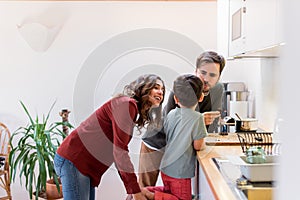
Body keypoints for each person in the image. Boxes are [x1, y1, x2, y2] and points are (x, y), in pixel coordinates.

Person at [54, 74, 165, 200]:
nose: (161, 92)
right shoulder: (127, 105)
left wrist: (133, 188)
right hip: (75, 160)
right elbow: (120, 152)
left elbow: (119, 151)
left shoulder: (129, 106)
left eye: (162, 90)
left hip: (81, 164)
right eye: (156, 87)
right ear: (144, 88)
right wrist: (135, 191)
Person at [139, 51, 226, 187]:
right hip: (155, 141)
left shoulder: (218, 89)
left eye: (213, 75)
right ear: (196, 70)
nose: (206, 79)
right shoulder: (182, 86)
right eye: (203, 72)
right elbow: (170, 123)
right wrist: (195, 121)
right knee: (143, 190)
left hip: (179, 145)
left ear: (219, 77)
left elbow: (213, 121)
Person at [142, 74, 208, 200]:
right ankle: (151, 195)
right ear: (201, 97)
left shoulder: (171, 113)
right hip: (180, 172)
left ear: (176, 99)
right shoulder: (198, 118)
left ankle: (148, 191)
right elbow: (198, 146)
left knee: (170, 193)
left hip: (166, 167)